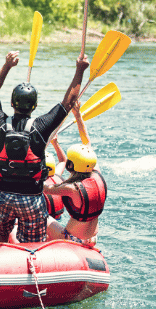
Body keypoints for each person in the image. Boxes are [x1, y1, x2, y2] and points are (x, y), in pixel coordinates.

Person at [0, 50, 90, 243]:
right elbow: (68, 102)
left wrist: (7, 66)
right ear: (34, 106)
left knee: (0, 232)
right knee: (32, 242)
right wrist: (80, 70)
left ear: (11, 103)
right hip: (31, 198)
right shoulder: (41, 126)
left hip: (3, 196)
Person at [46, 103, 106, 246]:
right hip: (92, 238)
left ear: (70, 165)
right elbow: (87, 143)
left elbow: (44, 188)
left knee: (43, 216)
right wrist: (78, 115)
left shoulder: (71, 188)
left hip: (73, 238)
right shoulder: (96, 174)